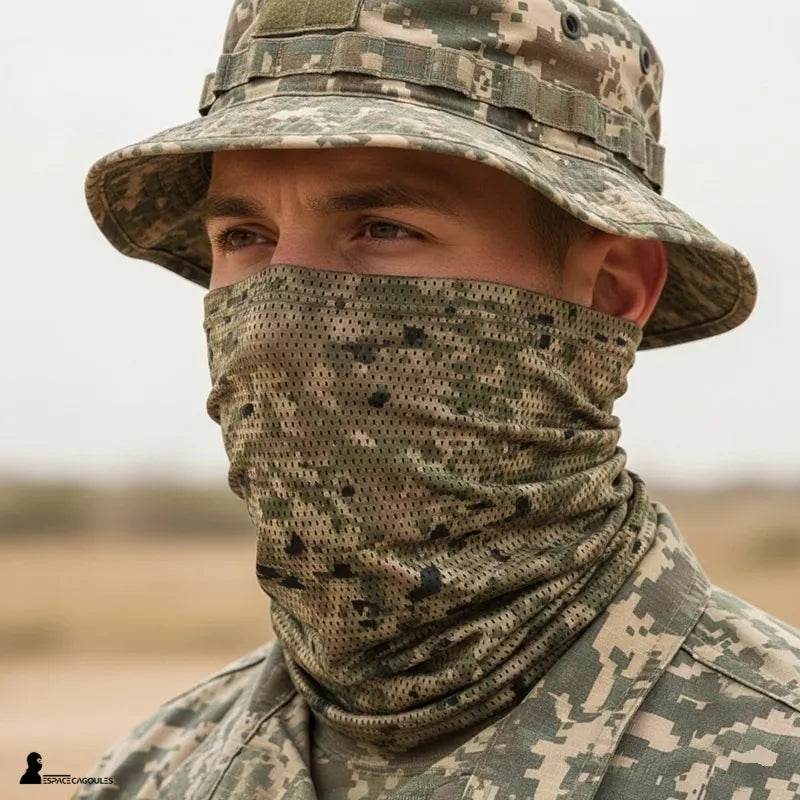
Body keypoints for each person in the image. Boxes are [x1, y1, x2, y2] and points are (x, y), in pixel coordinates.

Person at [73, 0, 800, 797]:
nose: (276, 321)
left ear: (611, 289)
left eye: (383, 228)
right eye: (245, 237)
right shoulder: (151, 770)